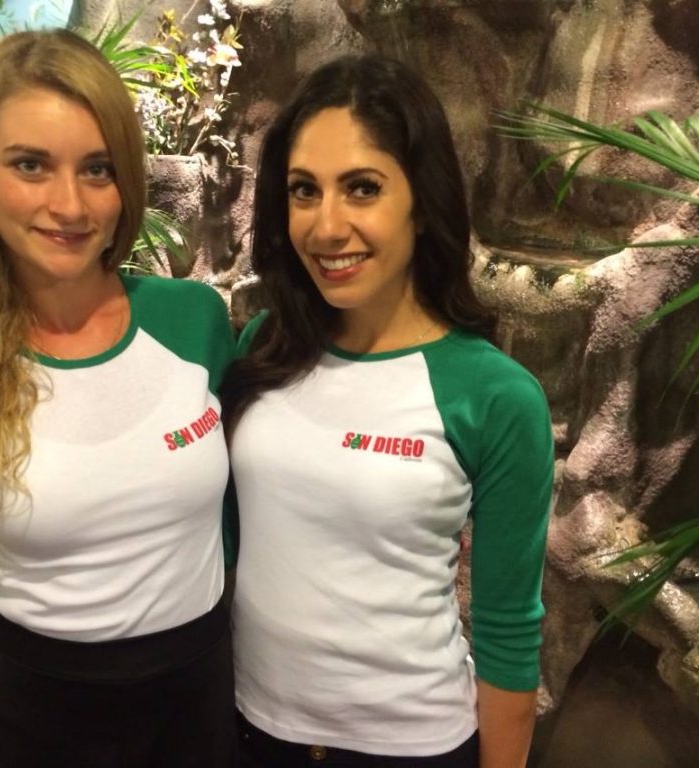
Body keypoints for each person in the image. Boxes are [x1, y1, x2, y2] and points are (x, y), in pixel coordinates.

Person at [0, 29, 236, 768]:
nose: (69, 204)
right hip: (34, 717)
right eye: (31, 165)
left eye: (97, 169)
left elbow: (232, 528)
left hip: (196, 703)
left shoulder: (194, 321)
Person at [221, 54, 554, 768]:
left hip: (410, 747)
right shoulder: (266, 348)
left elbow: (508, 636)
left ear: (421, 203)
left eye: (362, 188)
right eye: (304, 190)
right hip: (251, 728)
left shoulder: (495, 396)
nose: (326, 226)